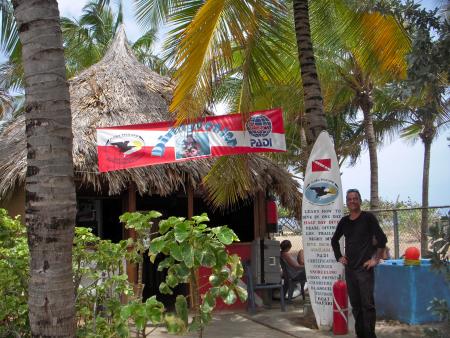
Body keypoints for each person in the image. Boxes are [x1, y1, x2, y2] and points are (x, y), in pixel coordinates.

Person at [331, 189, 387, 338]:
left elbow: (382, 239)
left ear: (360, 200)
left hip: (364, 270)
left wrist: (375, 259)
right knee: (356, 306)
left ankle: (370, 335)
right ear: (347, 203)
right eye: (349, 199)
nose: (352, 201)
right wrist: (339, 256)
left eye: (355, 198)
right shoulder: (344, 221)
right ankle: (360, 334)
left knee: (367, 306)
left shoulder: (368, 218)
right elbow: (334, 240)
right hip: (350, 269)